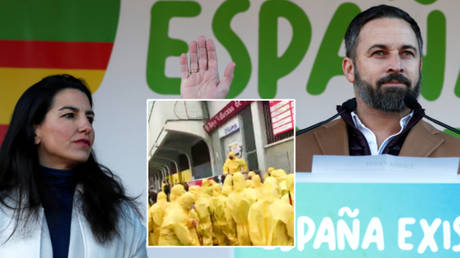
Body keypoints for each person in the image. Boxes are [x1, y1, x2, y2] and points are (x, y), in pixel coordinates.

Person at [180, 5, 460, 173]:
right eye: (379, 53)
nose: (396, 65)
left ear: (419, 66)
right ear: (349, 68)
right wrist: (203, 103)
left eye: (407, 53)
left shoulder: (456, 152)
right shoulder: (302, 148)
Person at [0, 74, 147, 257]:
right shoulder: (4, 205)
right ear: (34, 130)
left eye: (90, 118)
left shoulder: (120, 215)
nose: (87, 126)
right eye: (69, 115)